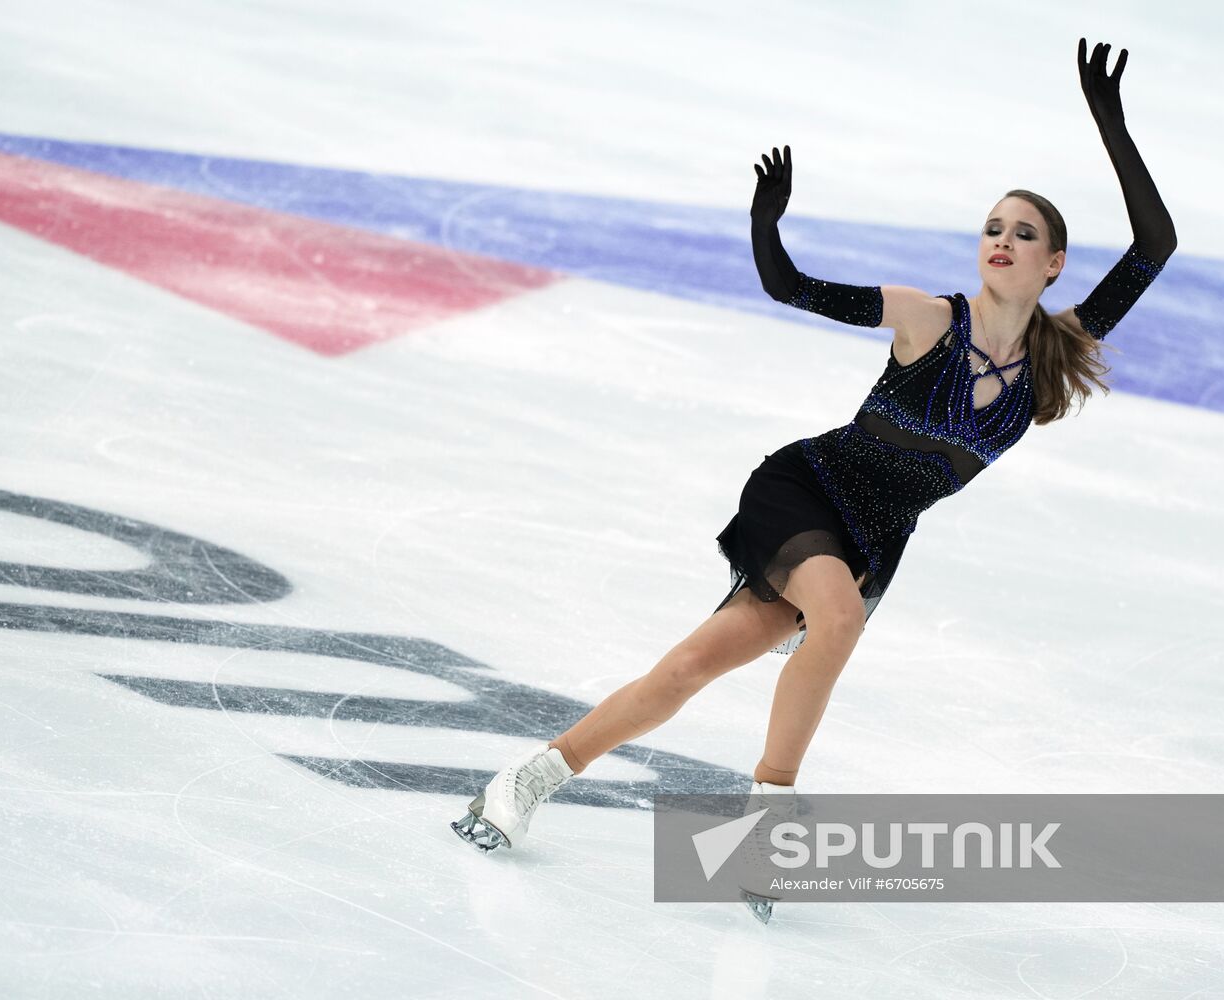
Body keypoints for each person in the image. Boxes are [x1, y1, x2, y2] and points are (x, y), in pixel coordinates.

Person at [451, 37, 1176, 917]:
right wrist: (768, 222)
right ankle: (770, 820)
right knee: (835, 618)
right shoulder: (927, 318)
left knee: (686, 670)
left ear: (1054, 262)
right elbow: (789, 287)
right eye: (992, 227)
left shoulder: (1058, 351)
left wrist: (1109, 122)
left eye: (1024, 234)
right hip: (807, 489)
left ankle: (523, 781)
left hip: (875, 535)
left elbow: (1156, 243)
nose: (1002, 240)